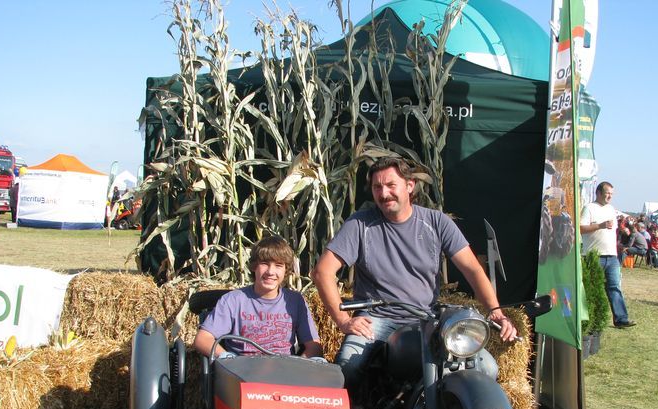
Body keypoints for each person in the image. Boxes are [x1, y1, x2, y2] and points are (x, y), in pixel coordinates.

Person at [311, 156, 516, 391]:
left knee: (488, 369)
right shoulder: (360, 225)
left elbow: (472, 269)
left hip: (425, 320)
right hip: (375, 318)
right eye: (378, 187)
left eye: (390, 185)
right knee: (348, 367)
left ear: (410, 186)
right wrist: (344, 321)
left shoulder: (436, 222)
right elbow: (323, 272)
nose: (384, 193)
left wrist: (496, 312)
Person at [193, 235, 323, 358]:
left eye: (278, 265)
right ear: (254, 266)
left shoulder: (295, 301)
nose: (271, 272)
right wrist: (227, 358)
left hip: (284, 370)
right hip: (243, 370)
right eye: (265, 263)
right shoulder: (233, 300)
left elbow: (314, 347)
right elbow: (203, 339)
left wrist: (300, 366)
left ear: (286, 270)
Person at [579, 181, 636, 328]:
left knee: (614, 287)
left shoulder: (611, 209)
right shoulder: (589, 208)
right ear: (598, 193)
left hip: (611, 256)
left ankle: (621, 319)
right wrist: (600, 225)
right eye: (607, 193)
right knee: (592, 288)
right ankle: (589, 319)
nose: (610, 196)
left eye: (612, 194)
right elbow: (581, 228)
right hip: (593, 256)